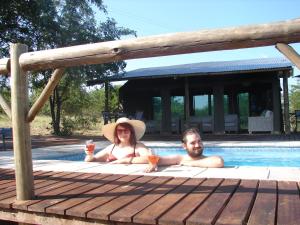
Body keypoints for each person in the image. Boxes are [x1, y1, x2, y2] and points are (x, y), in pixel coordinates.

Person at [84, 117, 153, 166]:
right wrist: (90, 155)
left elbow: (150, 159)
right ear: (116, 133)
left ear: (131, 132)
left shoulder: (138, 146)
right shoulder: (111, 148)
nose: (123, 134)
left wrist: (125, 160)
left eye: (126, 131)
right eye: (119, 131)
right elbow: (92, 160)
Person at [155, 128, 224, 168]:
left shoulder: (208, 159)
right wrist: (153, 163)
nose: (197, 145)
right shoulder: (180, 159)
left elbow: (219, 161)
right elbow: (157, 159)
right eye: (193, 143)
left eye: (199, 141)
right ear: (184, 146)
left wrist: (189, 163)